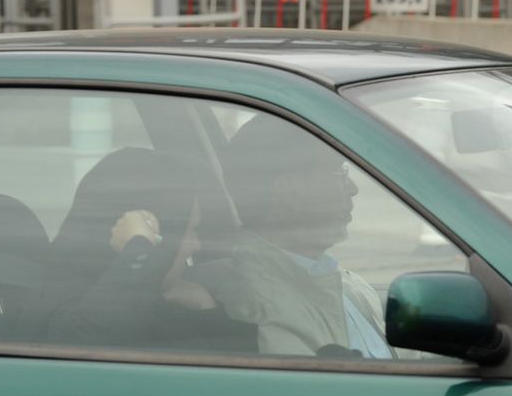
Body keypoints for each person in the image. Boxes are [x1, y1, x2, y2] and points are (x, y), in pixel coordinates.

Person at [211, 115, 392, 358]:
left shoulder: (345, 283)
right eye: (336, 173)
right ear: (287, 189)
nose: (352, 188)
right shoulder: (261, 307)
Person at [48, 148, 253, 352]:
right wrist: (139, 250)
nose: (196, 245)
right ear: (154, 233)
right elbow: (89, 343)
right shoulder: (54, 311)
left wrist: (203, 304)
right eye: (189, 230)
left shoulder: (158, 305)